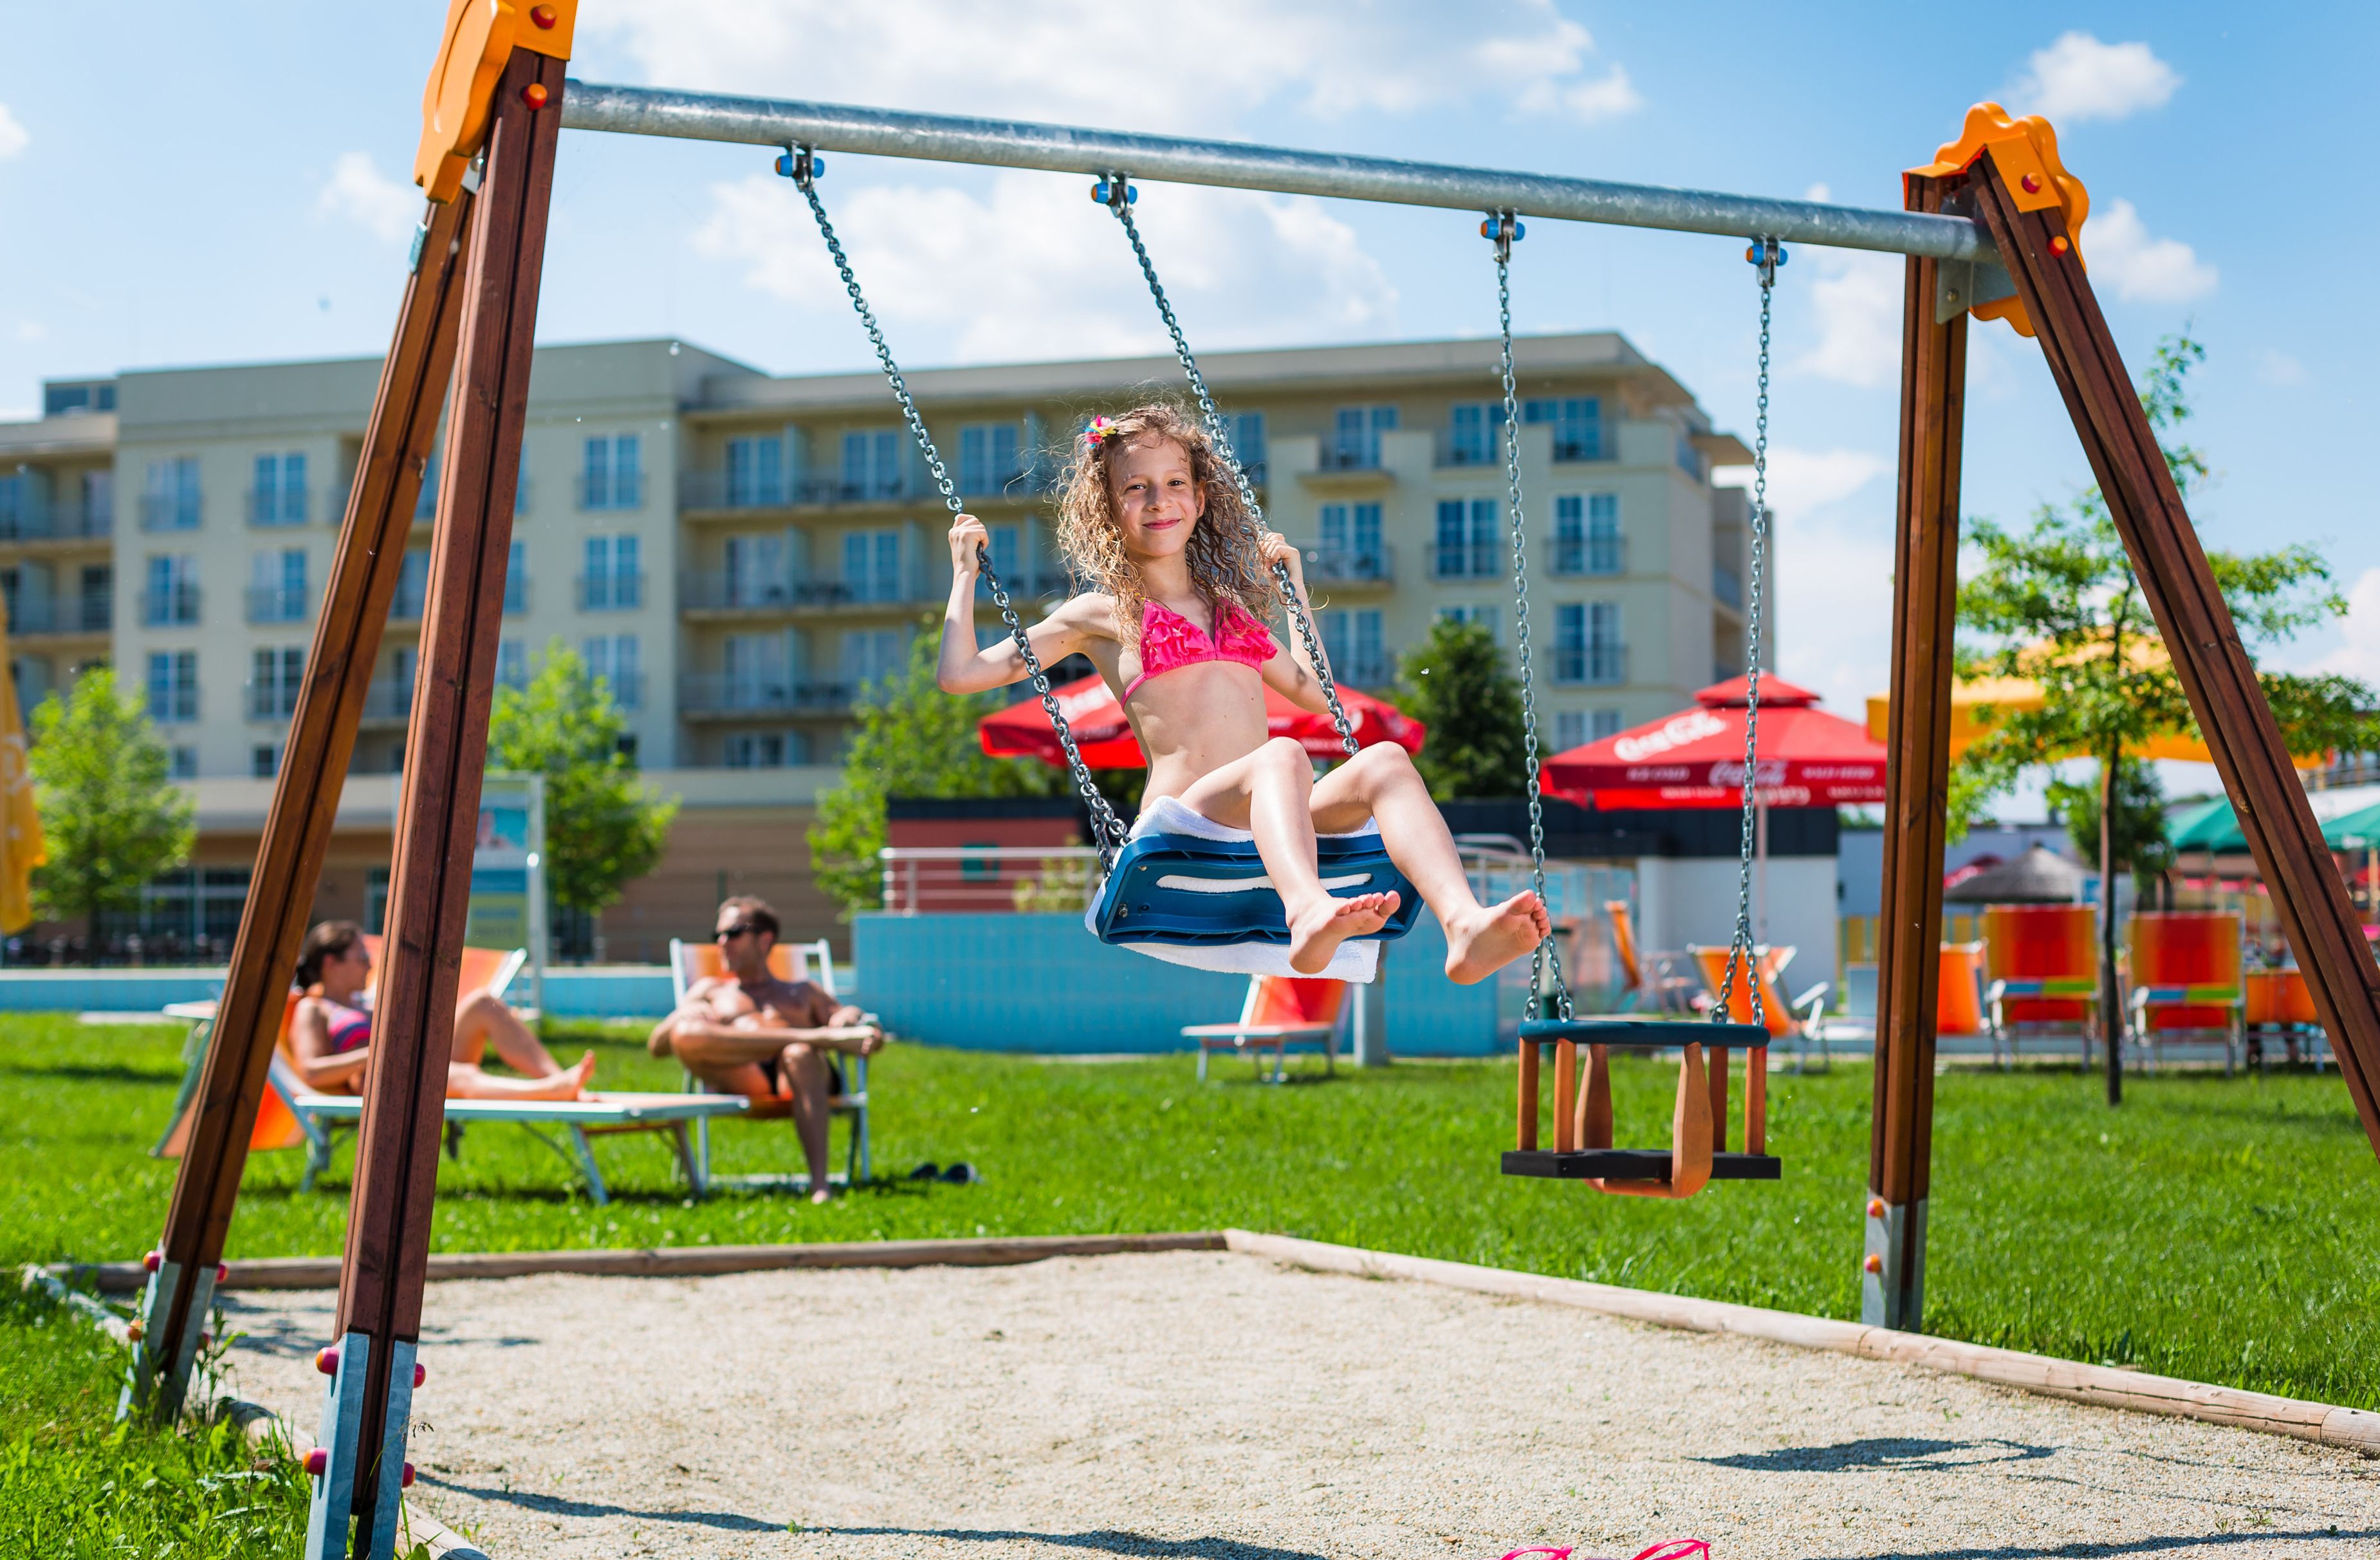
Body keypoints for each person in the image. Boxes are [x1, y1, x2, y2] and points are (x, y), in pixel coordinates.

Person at [933, 401, 1549, 981]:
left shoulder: (1230, 614)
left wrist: (1294, 592)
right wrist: (966, 573)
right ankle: (1308, 910)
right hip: (1186, 821)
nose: (1158, 500)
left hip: (1270, 820)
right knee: (1282, 755)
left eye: (1175, 483)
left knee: (1384, 761)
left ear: (1200, 500)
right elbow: (961, 675)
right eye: (1135, 487)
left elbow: (1314, 691)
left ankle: (1464, 925)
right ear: (1108, 507)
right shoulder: (1102, 611)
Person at [648, 897, 884, 1203]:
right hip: (744, 1077)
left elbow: (856, 1028)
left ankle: (820, 1185)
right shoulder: (710, 990)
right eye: (717, 935)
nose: (721, 942)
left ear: (765, 940)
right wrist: (682, 1014)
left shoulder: (803, 991)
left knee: (799, 1053)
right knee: (687, 1034)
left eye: (733, 933)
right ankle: (814, 1039)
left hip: (800, 1077)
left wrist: (851, 1018)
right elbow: (657, 1045)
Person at [288, 919, 594, 1101]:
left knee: (481, 1004)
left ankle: (566, 1086)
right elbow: (312, 1072)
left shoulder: (364, 1002)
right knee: (455, 1075)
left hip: (412, 1066)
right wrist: (378, 1052)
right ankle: (548, 1092)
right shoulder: (314, 1009)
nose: (370, 964)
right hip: (380, 1084)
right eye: (361, 957)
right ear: (330, 963)